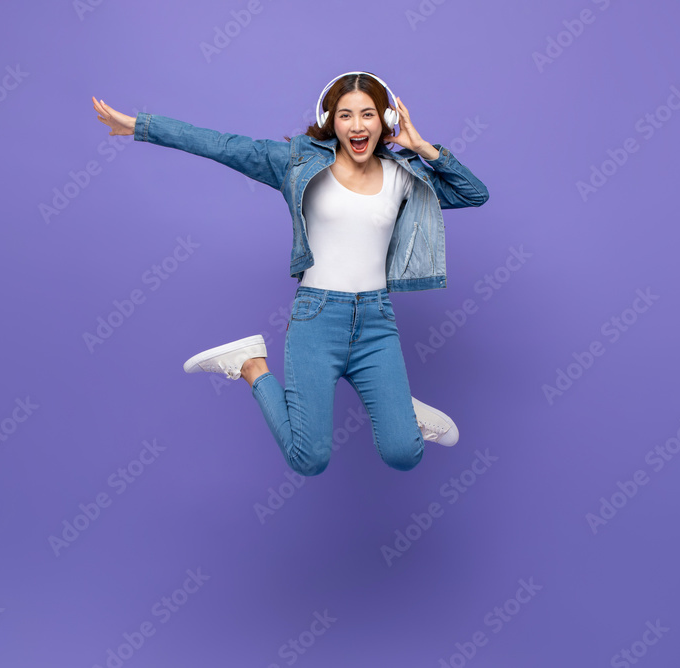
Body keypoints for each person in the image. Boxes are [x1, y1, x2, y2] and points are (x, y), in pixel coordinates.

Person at [91, 71, 488, 476]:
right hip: (317, 322)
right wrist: (141, 126)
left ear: (385, 120)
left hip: (376, 323)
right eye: (345, 115)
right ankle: (251, 366)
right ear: (331, 121)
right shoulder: (297, 163)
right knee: (310, 459)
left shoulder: (404, 174)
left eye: (368, 114)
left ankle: (400, 410)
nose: (357, 125)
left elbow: (473, 194)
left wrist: (421, 146)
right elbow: (223, 146)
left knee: (404, 454)